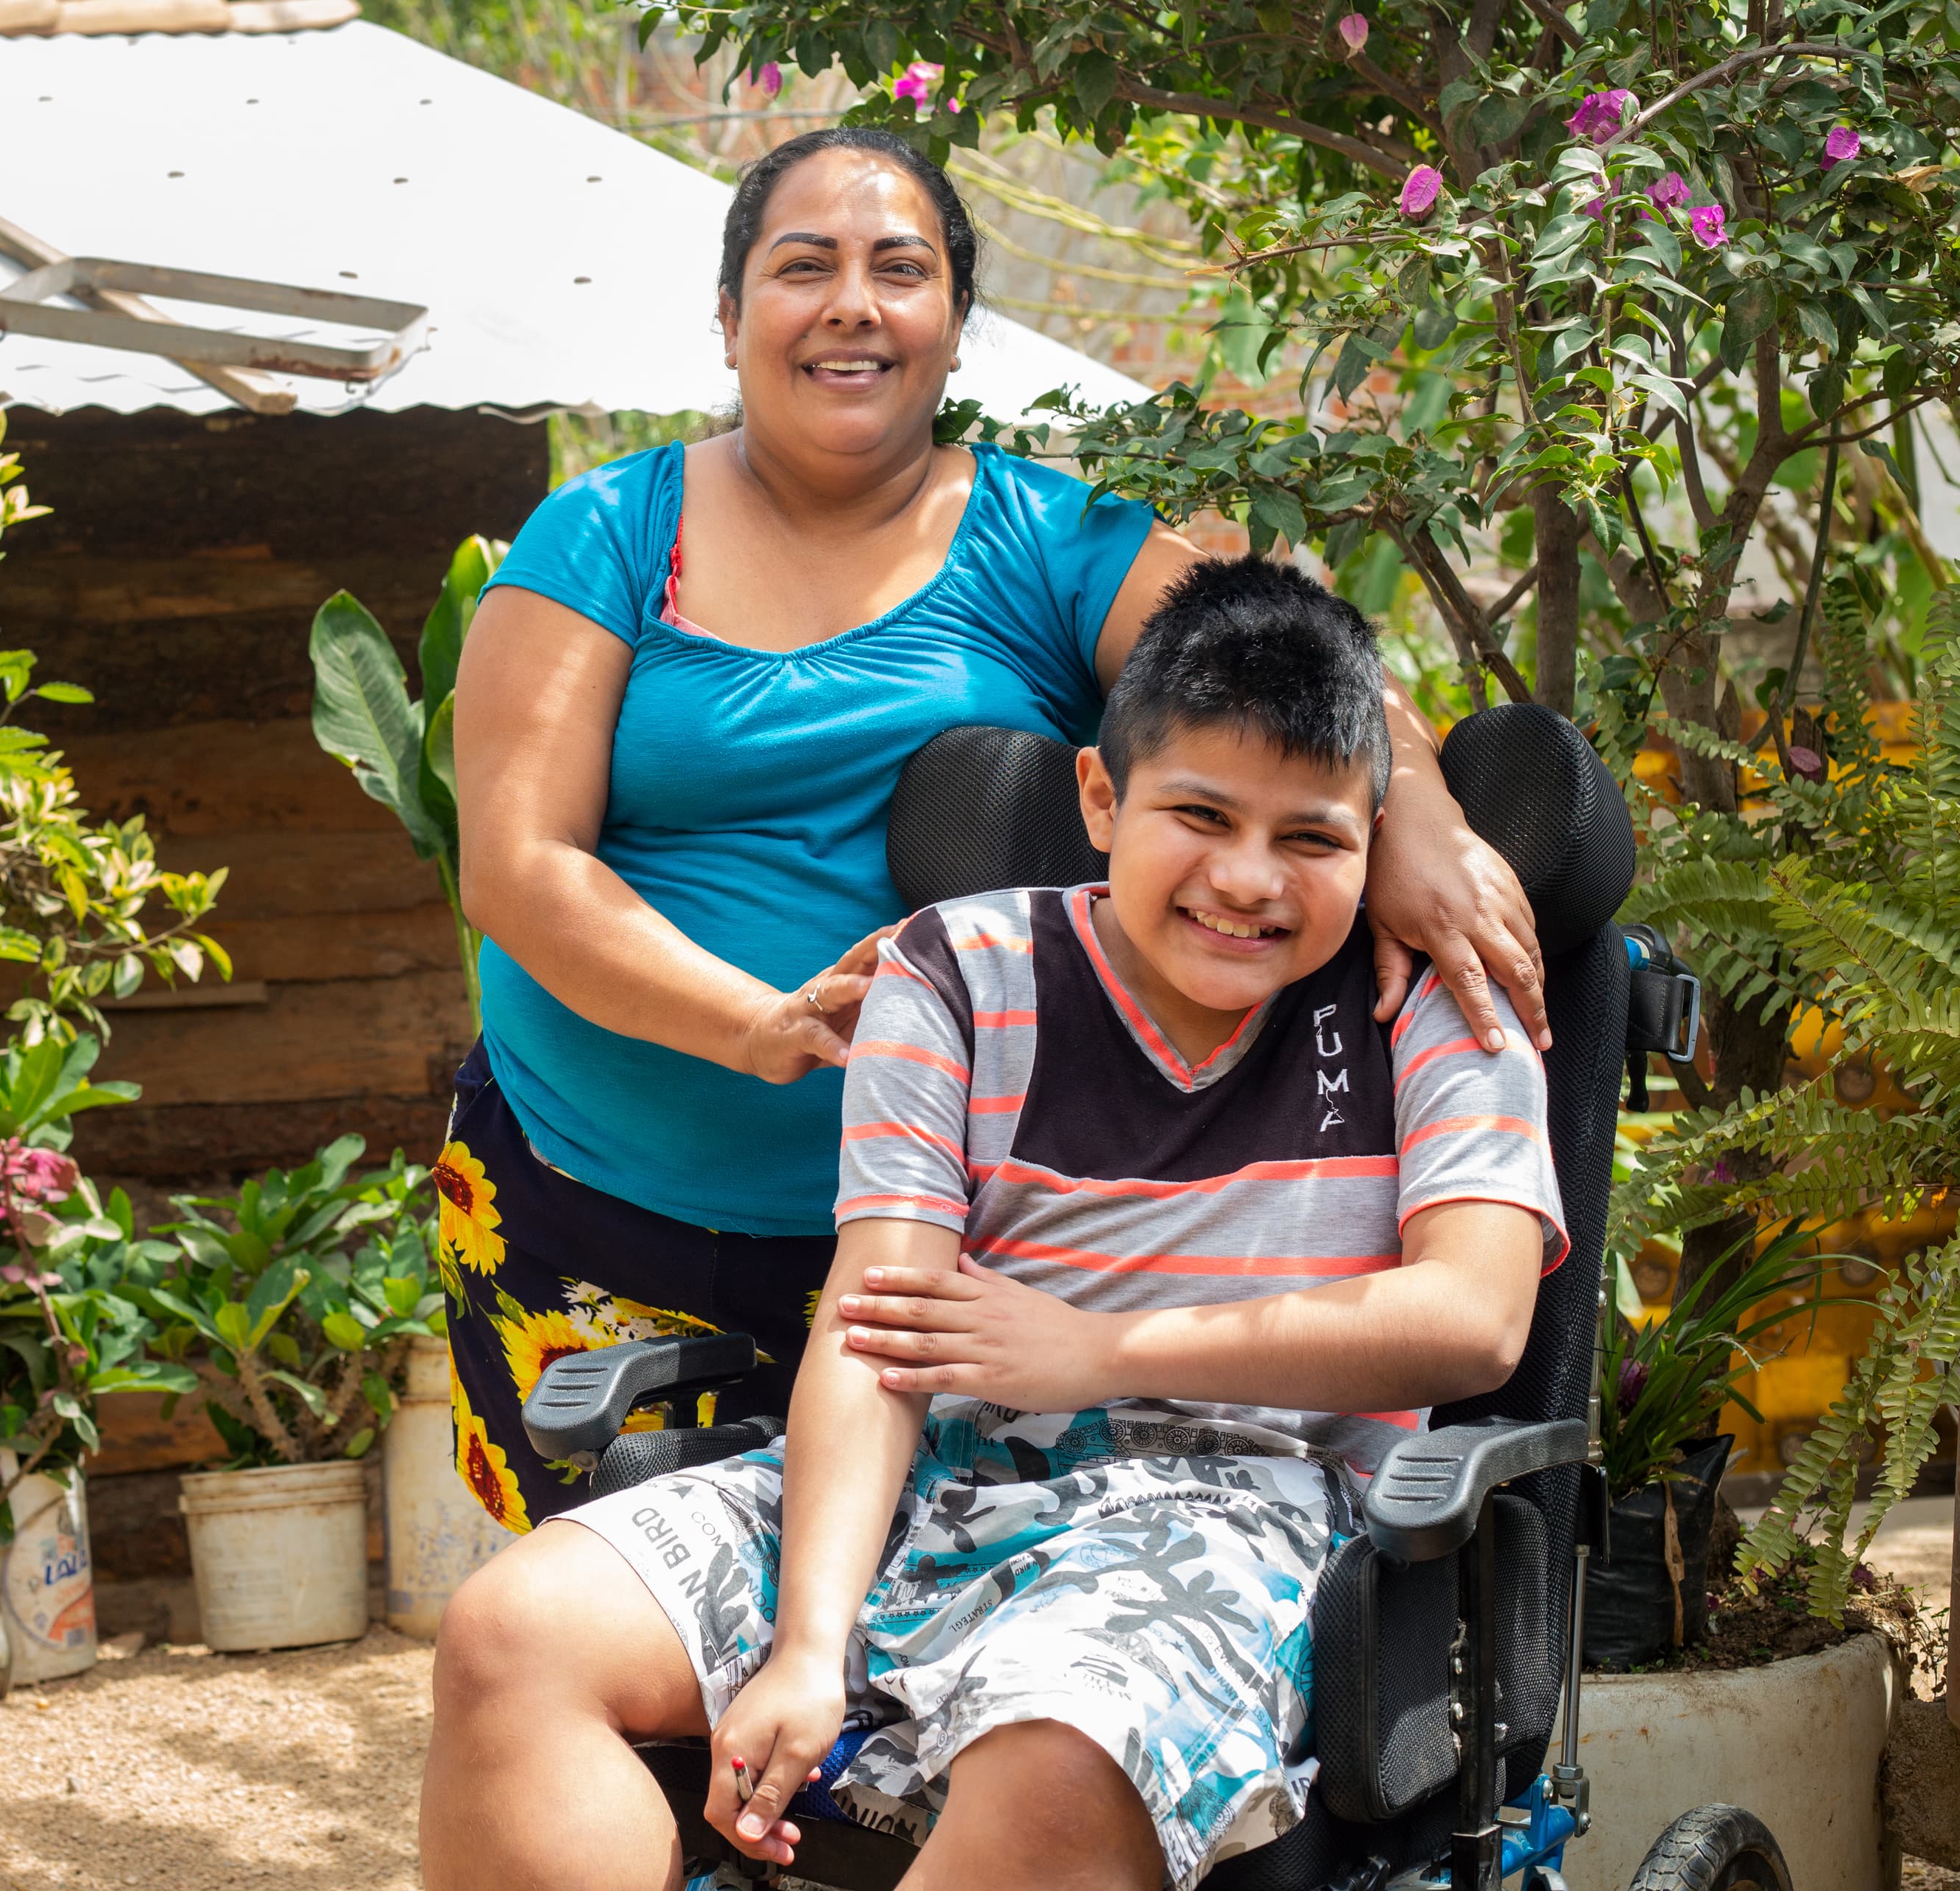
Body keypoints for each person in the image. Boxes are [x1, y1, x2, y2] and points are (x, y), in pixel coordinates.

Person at [436, 126, 1551, 1536]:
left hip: (957, 1246)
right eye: (803, 268)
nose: (853, 303)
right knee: (628, 1624)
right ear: (729, 319)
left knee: (891, 1665)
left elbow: (1281, 668)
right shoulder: (601, 530)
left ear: (955, 328)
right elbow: (522, 867)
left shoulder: (1046, 534)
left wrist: (1423, 817)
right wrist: (758, 1024)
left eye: (901, 270)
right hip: (592, 1197)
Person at [419, 557, 1567, 1891]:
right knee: (514, 1633)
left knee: (1064, 1747)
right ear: (1100, 796)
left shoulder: (1438, 1006)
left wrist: (1103, 1352)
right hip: (933, 1473)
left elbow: (1472, 1322)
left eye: (1313, 838)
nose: (1250, 880)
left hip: (1244, 1505)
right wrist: (806, 1641)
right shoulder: (958, 971)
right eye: (1200, 813)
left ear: (1377, 840)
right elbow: (878, 1324)